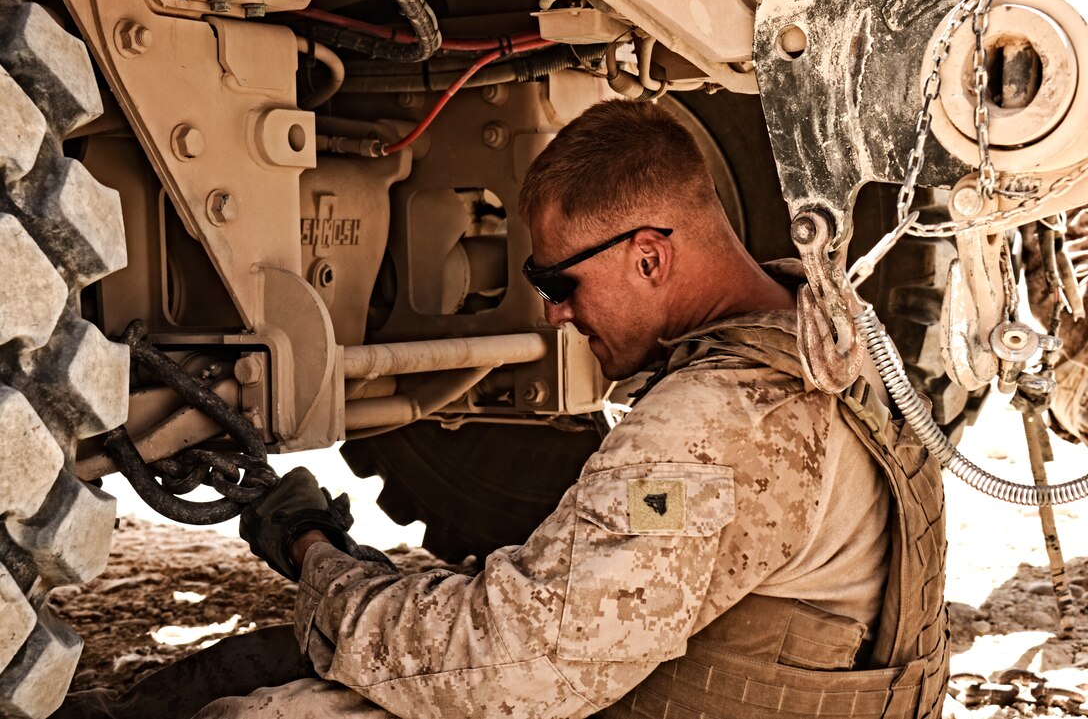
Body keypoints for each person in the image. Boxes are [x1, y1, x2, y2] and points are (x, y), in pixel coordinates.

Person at [58, 99, 949, 719]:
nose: (555, 311)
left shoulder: (720, 422)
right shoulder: (833, 339)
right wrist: (350, 580)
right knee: (271, 656)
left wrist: (315, 555)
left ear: (649, 257)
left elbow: (509, 668)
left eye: (560, 280)